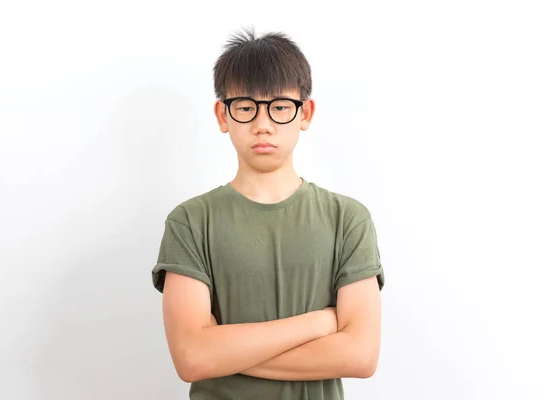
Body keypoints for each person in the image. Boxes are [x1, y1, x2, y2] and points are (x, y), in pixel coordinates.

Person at [151, 27, 385, 400]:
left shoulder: (348, 219)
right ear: (223, 115)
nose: (263, 124)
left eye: (279, 107)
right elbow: (192, 359)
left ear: (305, 112)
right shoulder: (191, 222)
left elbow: (360, 356)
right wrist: (321, 322)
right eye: (245, 107)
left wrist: (222, 351)